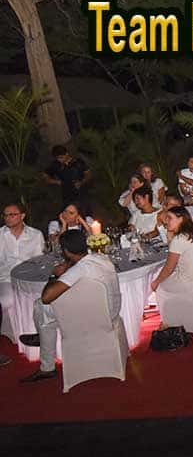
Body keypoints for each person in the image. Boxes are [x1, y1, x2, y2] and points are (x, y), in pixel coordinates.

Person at [19, 230, 121, 383]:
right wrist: (68, 264)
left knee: (41, 306)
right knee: (47, 315)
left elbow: (47, 297)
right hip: (111, 311)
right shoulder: (100, 258)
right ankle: (42, 337)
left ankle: (46, 364)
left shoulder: (79, 269)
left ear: (66, 251)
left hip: (95, 319)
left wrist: (54, 275)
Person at [0, 202, 45, 366]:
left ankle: (40, 335)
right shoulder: (1, 235)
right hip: (6, 278)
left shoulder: (35, 234)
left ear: (22, 216)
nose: (8, 218)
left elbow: (39, 260)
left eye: (12, 214)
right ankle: (12, 333)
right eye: (5, 215)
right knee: (7, 300)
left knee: (44, 299)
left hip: (30, 279)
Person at [151, 206, 193, 329]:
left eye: (169, 218)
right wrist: (169, 233)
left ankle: (168, 322)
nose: (166, 221)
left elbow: (169, 268)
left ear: (181, 219)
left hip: (192, 282)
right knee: (166, 278)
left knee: (161, 288)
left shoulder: (180, 239)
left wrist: (156, 282)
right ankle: (179, 313)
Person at [44, 145, 91, 212]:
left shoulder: (78, 162)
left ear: (67, 154)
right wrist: (56, 182)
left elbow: (88, 174)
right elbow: (45, 175)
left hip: (82, 194)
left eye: (61, 157)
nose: (60, 160)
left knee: (84, 211)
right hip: (67, 196)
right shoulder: (56, 164)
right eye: (57, 158)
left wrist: (81, 182)